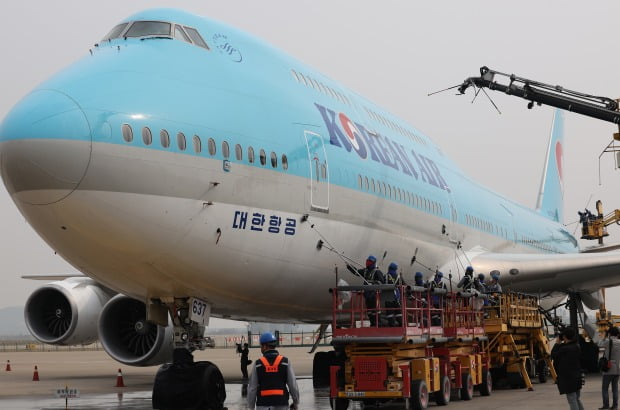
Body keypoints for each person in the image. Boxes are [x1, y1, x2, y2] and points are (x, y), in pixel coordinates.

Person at [248, 332, 299, 410]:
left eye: (261, 346)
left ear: (265, 346)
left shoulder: (258, 364)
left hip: (263, 404)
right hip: (282, 403)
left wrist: (251, 407)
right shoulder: (285, 362)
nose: (261, 348)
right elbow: (293, 385)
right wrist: (296, 402)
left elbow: (252, 388)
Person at [551, 327, 584, 410]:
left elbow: (553, 355)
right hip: (577, 376)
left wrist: (557, 343)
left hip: (568, 378)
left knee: (572, 400)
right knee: (576, 399)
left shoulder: (564, 349)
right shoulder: (577, 346)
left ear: (565, 336)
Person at [347, 255, 385, 325]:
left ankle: (378, 324)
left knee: (375, 310)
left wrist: (373, 284)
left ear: (373, 263)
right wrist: (349, 266)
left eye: (369, 261)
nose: (367, 263)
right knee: (369, 311)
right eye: (367, 261)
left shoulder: (377, 272)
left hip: (374, 295)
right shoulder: (365, 271)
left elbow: (381, 282)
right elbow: (356, 272)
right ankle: (373, 323)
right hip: (367, 294)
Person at [599, 326, 620, 410]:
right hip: (618, 368)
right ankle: (615, 406)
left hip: (609, 367)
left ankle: (606, 405)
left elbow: (599, 344)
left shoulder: (608, 341)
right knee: (615, 388)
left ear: (610, 333)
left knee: (605, 388)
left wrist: (605, 336)